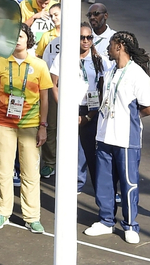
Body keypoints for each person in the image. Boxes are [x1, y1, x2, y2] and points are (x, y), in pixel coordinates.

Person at [84, 31, 150, 244]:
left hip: (126, 139)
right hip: (105, 135)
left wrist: (128, 118)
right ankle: (106, 220)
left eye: (112, 44)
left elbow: (148, 108)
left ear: (120, 46)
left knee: (128, 182)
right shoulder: (112, 69)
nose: (109, 47)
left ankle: (130, 225)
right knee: (104, 181)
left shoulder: (137, 75)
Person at [0, 23, 52, 233]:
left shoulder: (40, 65)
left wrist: (43, 126)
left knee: (30, 173)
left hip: (30, 125)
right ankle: (1, 212)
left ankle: (32, 216)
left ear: (28, 39)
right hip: (4, 124)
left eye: (21, 36)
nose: (17, 40)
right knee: (3, 170)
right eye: (14, 36)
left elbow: (45, 99)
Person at [50, 22, 110, 194]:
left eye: (89, 37)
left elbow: (102, 90)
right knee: (70, 148)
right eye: (81, 37)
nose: (85, 41)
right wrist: (63, 108)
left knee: (91, 150)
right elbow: (54, 84)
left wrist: (89, 116)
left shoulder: (99, 61)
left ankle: (102, 188)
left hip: (90, 110)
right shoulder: (63, 57)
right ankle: (75, 183)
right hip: (70, 108)